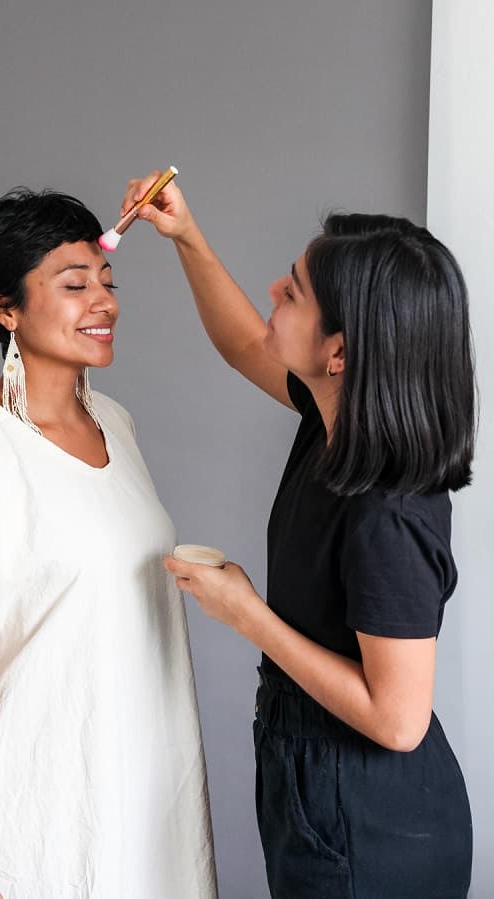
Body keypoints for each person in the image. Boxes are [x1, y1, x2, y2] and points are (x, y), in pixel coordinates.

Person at [122, 174, 475, 898]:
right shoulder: (336, 419)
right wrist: (185, 233)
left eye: (293, 292)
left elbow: (399, 719)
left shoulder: (387, 511)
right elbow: (245, 343)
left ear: (339, 352)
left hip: (371, 823)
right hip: (324, 783)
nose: (273, 294)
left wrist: (247, 615)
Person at [0, 188, 218, 899]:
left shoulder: (118, 424)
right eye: (73, 285)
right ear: (3, 307)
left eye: (106, 281)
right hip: (29, 829)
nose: (102, 302)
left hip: (144, 813)